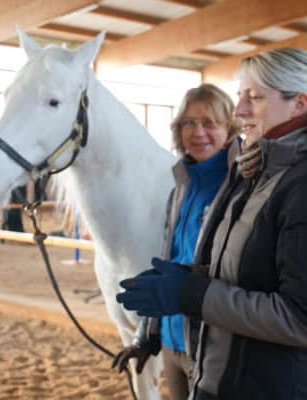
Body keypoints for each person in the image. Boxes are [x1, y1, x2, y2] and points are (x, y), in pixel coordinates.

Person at [116, 48, 307, 400]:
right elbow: (238, 270)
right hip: (217, 367)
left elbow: (299, 316)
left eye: (255, 98)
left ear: (299, 103)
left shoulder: (284, 180)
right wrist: (167, 301)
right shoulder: (252, 173)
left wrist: (189, 291)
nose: (241, 110)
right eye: (240, 97)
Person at [112, 84, 241, 400]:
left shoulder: (242, 189)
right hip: (172, 341)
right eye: (189, 123)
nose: (198, 132)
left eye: (210, 123)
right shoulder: (179, 189)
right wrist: (147, 334)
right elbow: (167, 264)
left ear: (230, 129)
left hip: (212, 347)